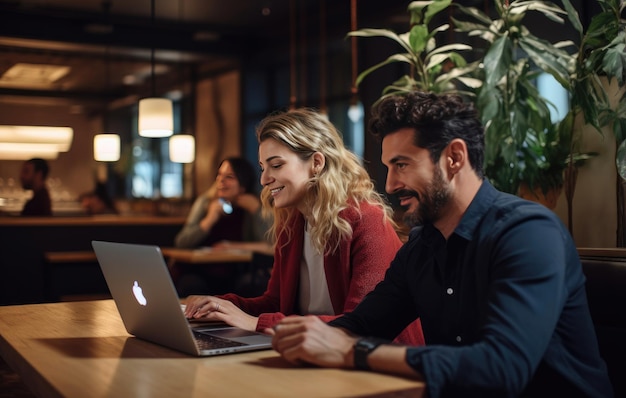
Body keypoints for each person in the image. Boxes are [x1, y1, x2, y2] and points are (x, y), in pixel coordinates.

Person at [269, 92, 613, 397]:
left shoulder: (528, 232)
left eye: (401, 165)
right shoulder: (422, 245)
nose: (389, 185)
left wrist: (351, 351)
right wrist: (298, 338)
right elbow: (362, 323)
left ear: (454, 158)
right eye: (388, 167)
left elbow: (501, 369)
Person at [184, 108, 424, 345]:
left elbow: (361, 326)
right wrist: (218, 305)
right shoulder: (292, 225)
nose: (264, 180)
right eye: (262, 167)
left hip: (378, 364)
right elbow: (276, 303)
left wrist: (256, 323)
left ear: (316, 163)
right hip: (317, 352)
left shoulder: (366, 219)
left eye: (276, 165)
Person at [173, 157, 273, 296]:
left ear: (243, 185)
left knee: (252, 284)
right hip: (202, 272)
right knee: (190, 284)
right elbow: (181, 243)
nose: (221, 180)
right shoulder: (205, 202)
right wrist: (209, 220)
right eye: (219, 175)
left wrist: (257, 212)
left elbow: (271, 244)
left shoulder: (254, 205)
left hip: (238, 271)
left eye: (229, 177)